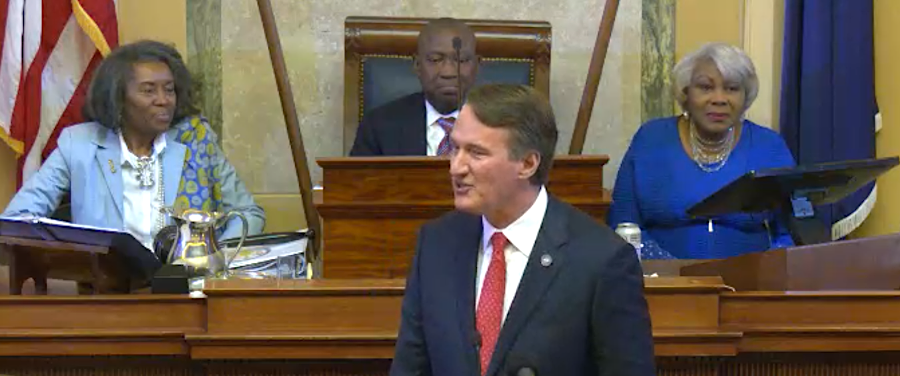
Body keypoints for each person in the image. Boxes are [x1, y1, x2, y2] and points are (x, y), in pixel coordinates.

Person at [391, 84, 655, 376]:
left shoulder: (601, 260)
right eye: (455, 148)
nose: (456, 167)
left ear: (528, 163)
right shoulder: (436, 245)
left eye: (476, 153)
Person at [2, 40, 265, 250]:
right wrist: (74, 253)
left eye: (169, 89)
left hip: (186, 290)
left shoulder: (196, 139)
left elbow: (249, 214)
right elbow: (18, 220)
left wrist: (215, 253)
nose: (163, 100)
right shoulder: (80, 144)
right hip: (107, 294)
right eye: (149, 90)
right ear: (118, 98)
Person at [608, 42, 795, 259]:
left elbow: (789, 232)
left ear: (746, 97)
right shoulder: (651, 140)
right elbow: (623, 224)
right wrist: (673, 273)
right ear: (686, 94)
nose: (719, 99)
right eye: (705, 87)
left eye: (732, 88)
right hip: (663, 283)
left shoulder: (769, 147)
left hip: (751, 285)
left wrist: (762, 270)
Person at [350, 18, 479, 156]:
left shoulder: (501, 125)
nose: (448, 72)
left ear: (477, 65)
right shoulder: (378, 126)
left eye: (461, 60)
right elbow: (356, 177)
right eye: (435, 60)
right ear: (417, 65)